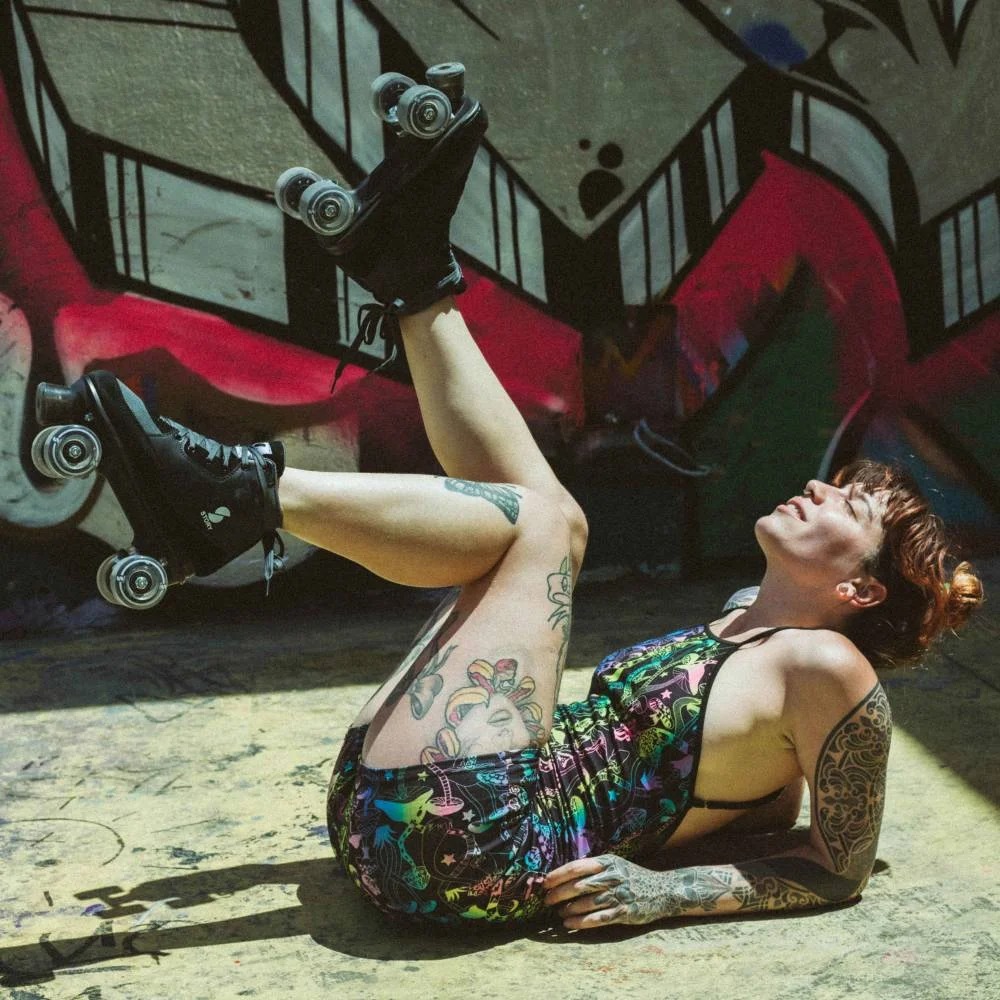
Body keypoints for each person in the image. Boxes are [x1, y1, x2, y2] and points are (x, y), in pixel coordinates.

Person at [41, 75, 983, 930]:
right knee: (533, 510)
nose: (820, 487)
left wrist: (665, 893)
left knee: (550, 525)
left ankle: (237, 497)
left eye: (849, 508)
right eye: (838, 482)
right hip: (423, 815)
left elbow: (840, 867)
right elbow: (753, 803)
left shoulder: (832, 668)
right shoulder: (745, 623)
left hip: (474, 849)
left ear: (861, 590)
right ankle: (414, 281)